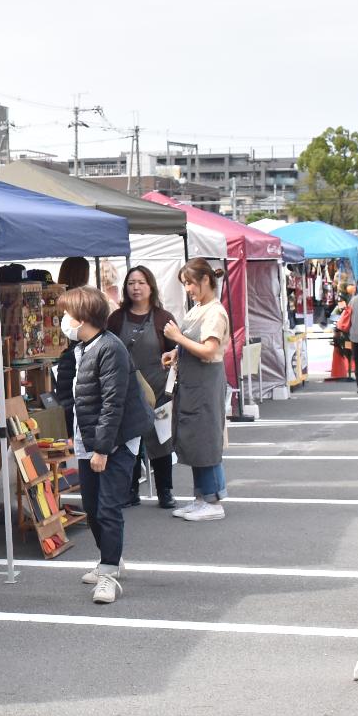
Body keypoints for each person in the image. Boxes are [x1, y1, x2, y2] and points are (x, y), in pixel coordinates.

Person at [61, 287, 152, 604]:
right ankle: (109, 560)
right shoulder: (82, 347)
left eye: (67, 314)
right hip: (92, 437)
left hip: (116, 440)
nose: (63, 320)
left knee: (108, 507)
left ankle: (109, 575)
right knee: (92, 506)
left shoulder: (109, 348)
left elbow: (113, 403)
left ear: (82, 317)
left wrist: (102, 449)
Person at [163, 259, 230, 522]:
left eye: (190, 283)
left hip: (205, 382)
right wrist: (174, 351)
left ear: (205, 280)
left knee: (205, 440)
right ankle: (201, 497)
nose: (188, 288)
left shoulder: (214, 311)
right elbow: (192, 344)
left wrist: (178, 338)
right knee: (195, 439)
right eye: (185, 284)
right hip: (194, 382)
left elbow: (209, 349)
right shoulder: (199, 308)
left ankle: (213, 500)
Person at [106, 265, 178, 509]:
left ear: (151, 286)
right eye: (131, 283)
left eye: (141, 282)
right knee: (130, 439)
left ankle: (165, 491)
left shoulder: (163, 317)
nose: (136, 288)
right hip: (127, 387)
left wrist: (172, 354)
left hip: (158, 386)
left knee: (161, 440)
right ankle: (131, 489)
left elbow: (177, 349)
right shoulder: (116, 318)